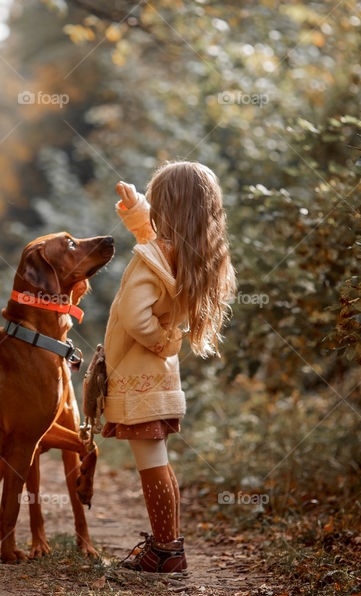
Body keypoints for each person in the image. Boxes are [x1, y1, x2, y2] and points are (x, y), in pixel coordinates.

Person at [102, 161, 237, 572]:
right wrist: (140, 209)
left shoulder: (152, 259)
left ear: (169, 209)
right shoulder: (190, 254)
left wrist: (163, 341)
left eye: (157, 202)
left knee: (152, 465)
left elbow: (134, 316)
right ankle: (168, 546)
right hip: (159, 376)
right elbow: (155, 240)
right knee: (158, 460)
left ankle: (166, 552)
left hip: (138, 373)